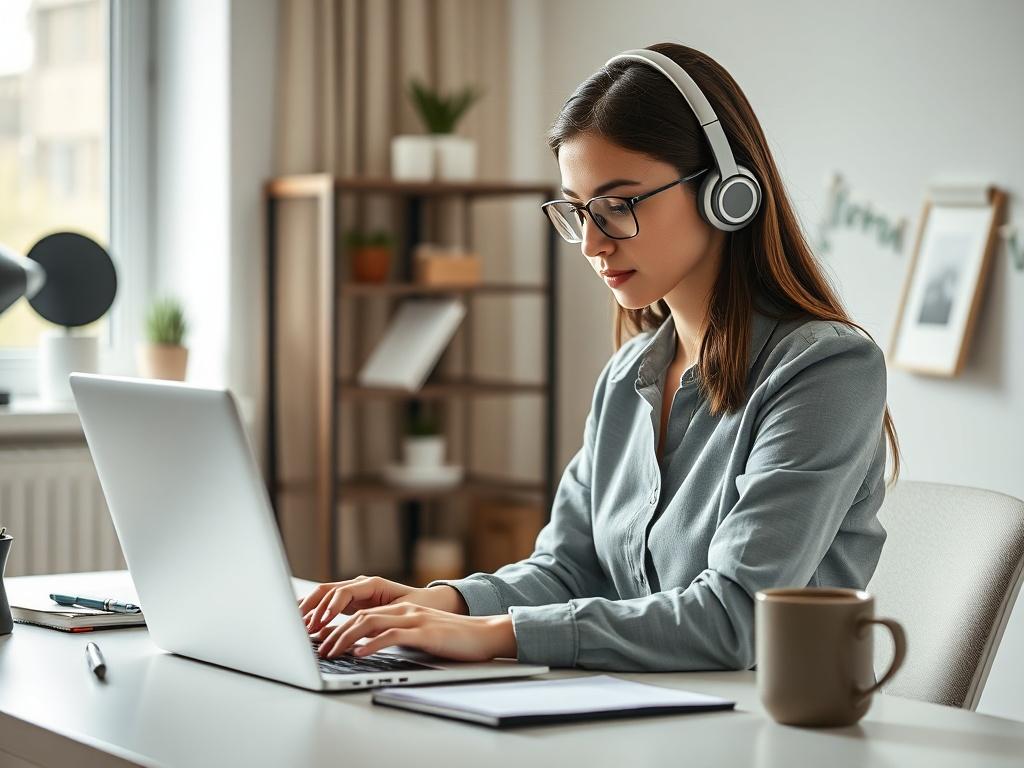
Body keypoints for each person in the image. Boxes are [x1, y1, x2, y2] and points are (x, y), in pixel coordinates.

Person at [297, 42, 901, 671]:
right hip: (646, 713)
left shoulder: (826, 371)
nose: (590, 243)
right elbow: (568, 568)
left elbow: (735, 619)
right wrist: (442, 601)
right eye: (578, 210)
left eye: (617, 206)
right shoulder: (627, 376)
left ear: (728, 193)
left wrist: (496, 635)